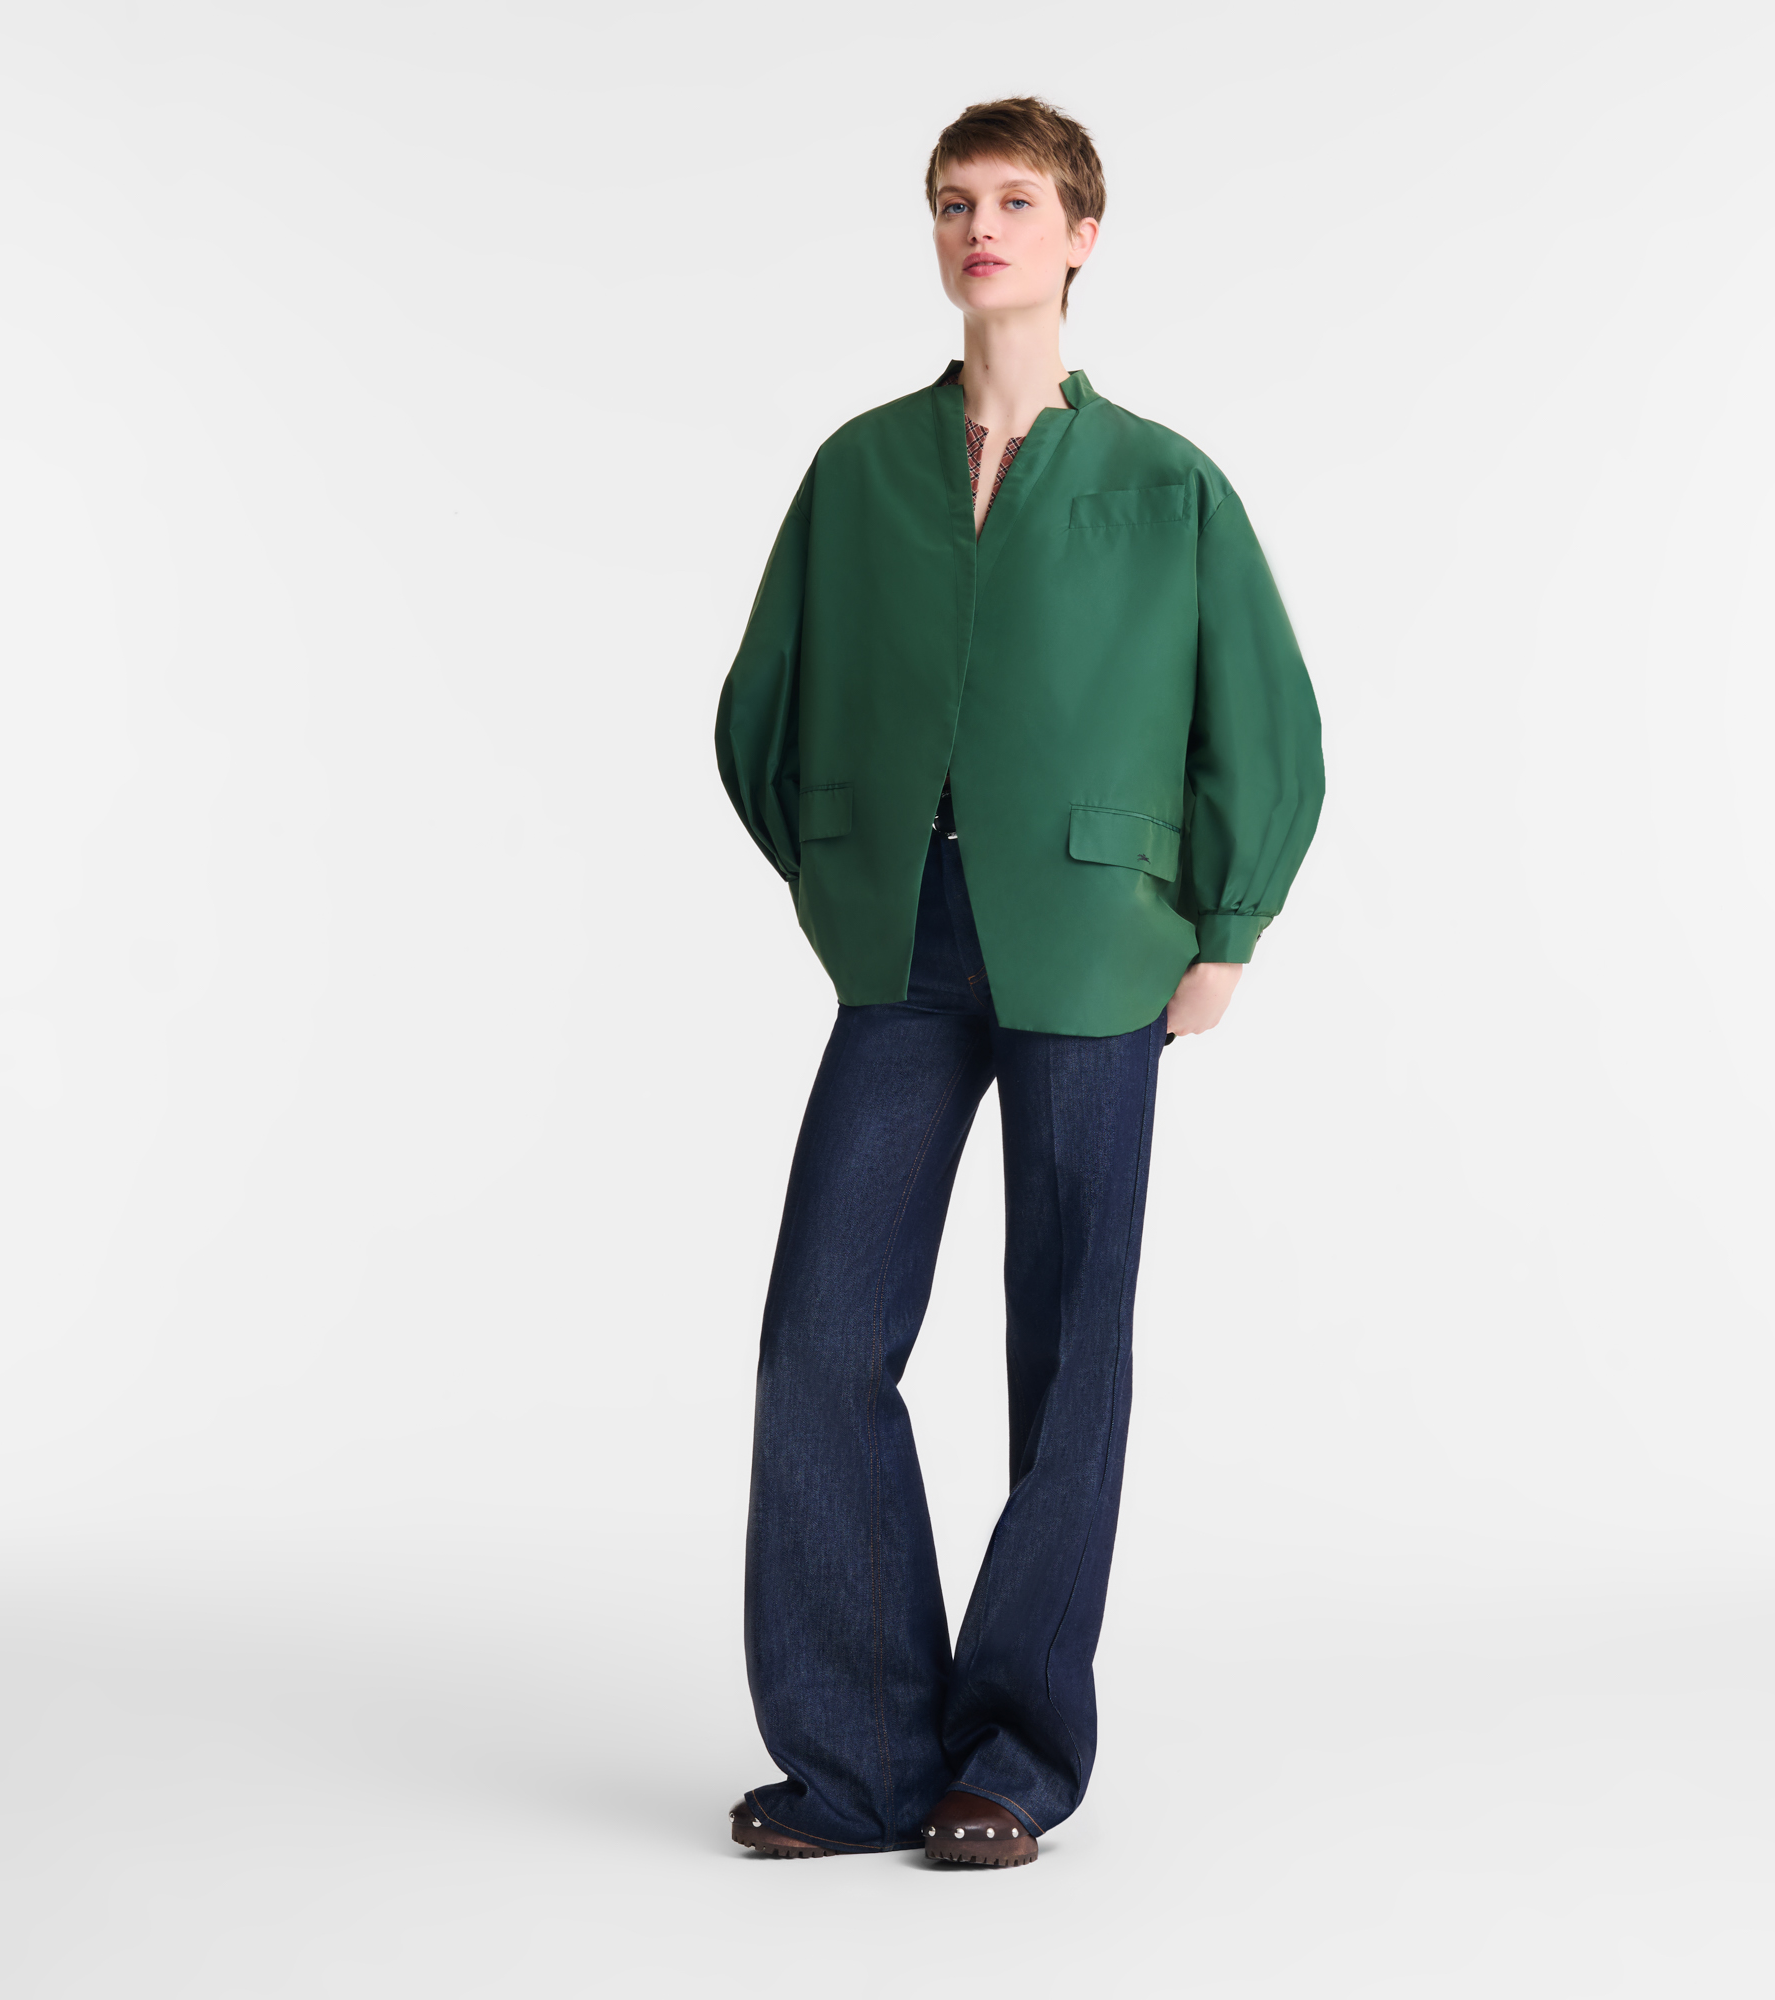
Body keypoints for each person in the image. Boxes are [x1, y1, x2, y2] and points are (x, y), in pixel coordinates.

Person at [713, 96, 1324, 1866]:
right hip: (907, 946)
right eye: (951, 202)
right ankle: (859, 1759)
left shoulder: (1165, 483)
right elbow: (761, 711)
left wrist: (1224, 931)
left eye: (1015, 201)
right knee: (821, 1337)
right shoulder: (858, 472)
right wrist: (844, 869)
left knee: (1069, 1354)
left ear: (1081, 237)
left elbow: (1266, 717)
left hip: (1101, 947)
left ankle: (1015, 1755)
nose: (979, 227)